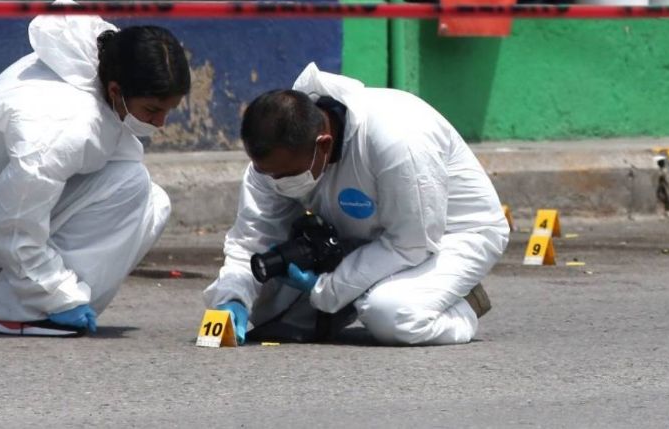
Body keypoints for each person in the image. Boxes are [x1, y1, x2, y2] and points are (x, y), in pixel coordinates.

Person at [0, 0, 190, 336]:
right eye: (152, 110)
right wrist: (54, 293)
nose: (160, 123)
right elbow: (14, 215)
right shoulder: (64, 121)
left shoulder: (106, 62)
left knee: (153, 201)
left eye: (168, 111)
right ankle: (21, 309)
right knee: (131, 186)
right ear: (117, 90)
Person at [203, 63, 509, 346]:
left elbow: (412, 244)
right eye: (267, 174)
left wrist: (328, 288)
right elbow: (251, 239)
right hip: (365, 238)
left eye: (286, 175)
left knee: (392, 315)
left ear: (323, 144)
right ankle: (359, 295)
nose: (276, 182)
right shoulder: (273, 161)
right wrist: (232, 299)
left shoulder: (396, 139)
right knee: (263, 303)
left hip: (448, 236)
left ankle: (464, 305)